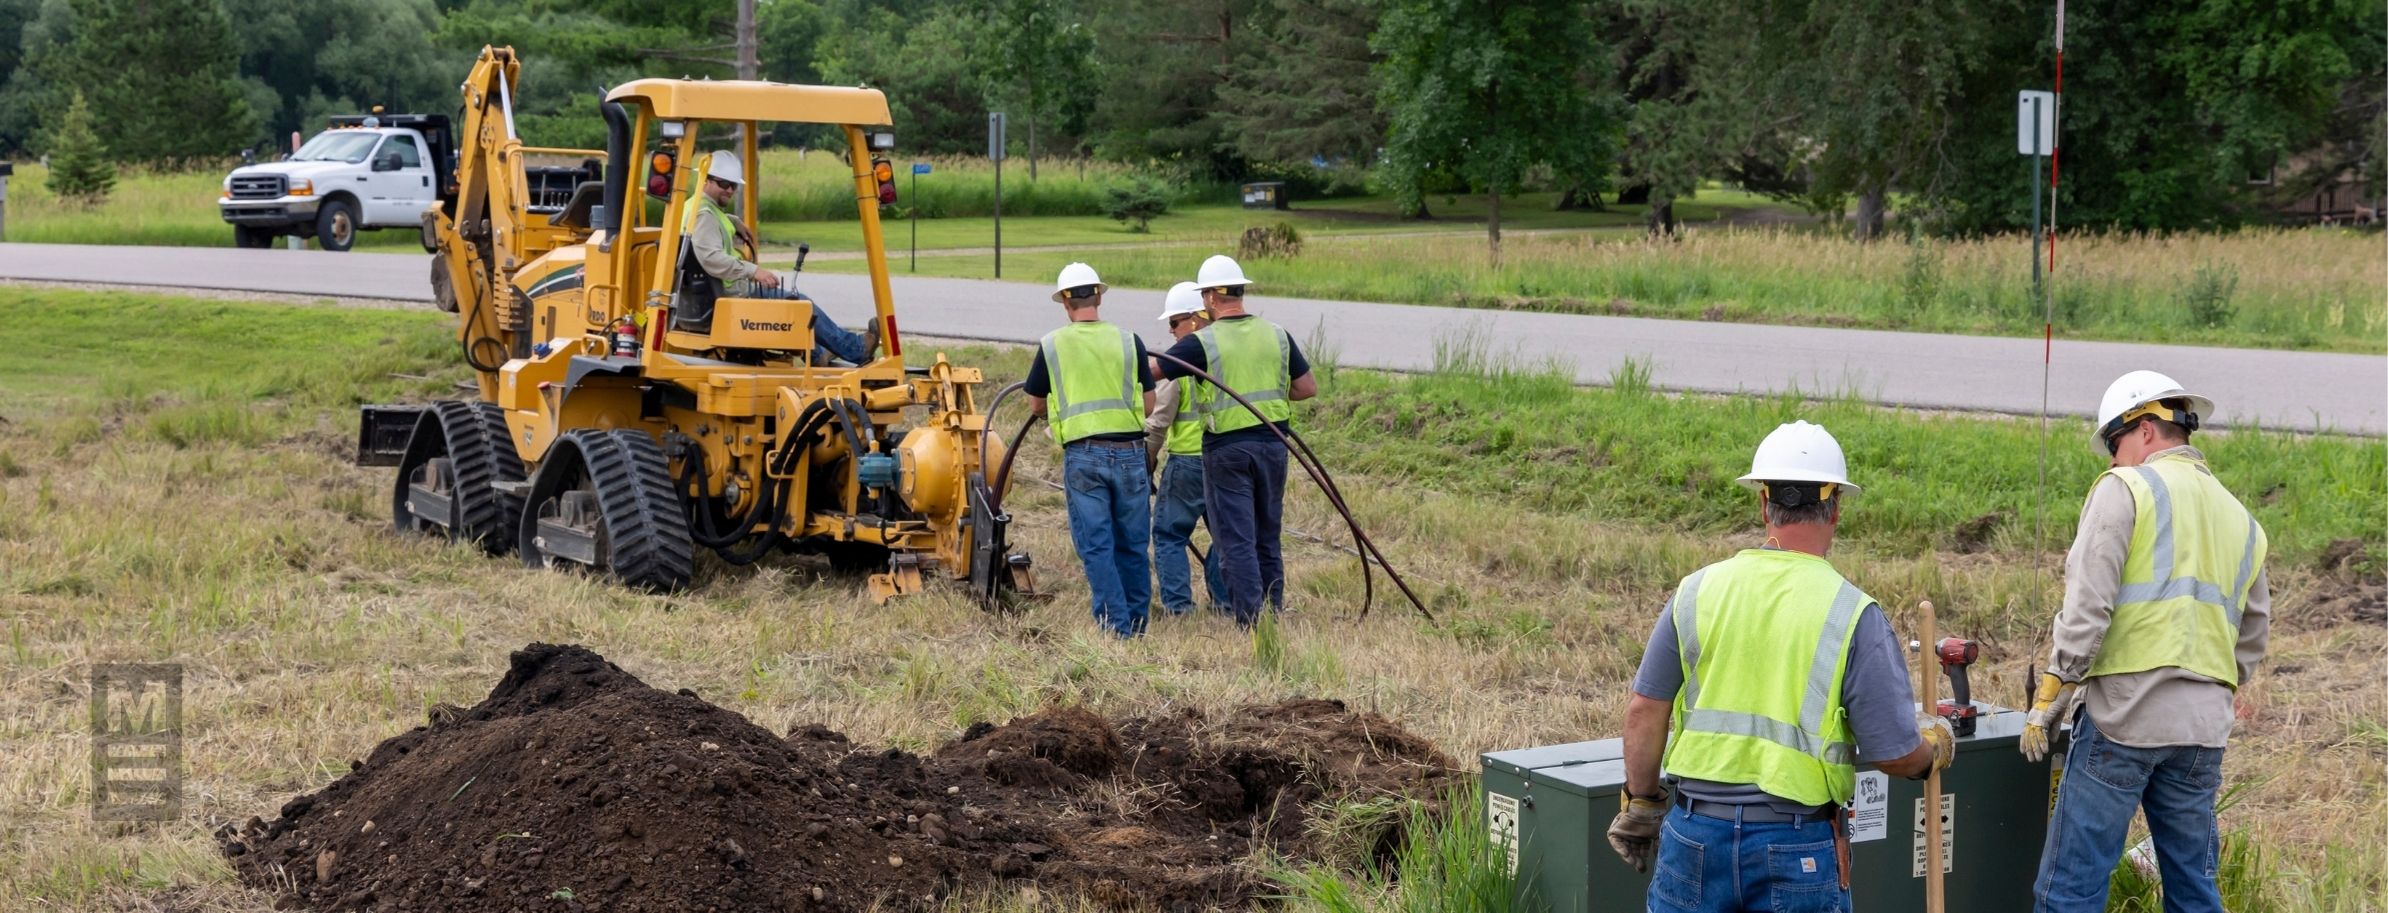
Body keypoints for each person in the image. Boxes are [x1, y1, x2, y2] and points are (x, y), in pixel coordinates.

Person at [1607, 420, 1954, 913]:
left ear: (1763, 501)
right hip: (1796, 845)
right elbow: (1895, 754)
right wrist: (1932, 751)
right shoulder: (1852, 613)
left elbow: (1645, 709)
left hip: (1694, 835)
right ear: (1835, 507)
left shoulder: (1697, 591)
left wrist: (1641, 802)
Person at [2023, 370, 2271, 913]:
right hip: (2202, 734)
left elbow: (2088, 607)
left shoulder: (2126, 489)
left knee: (2069, 888)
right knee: (2194, 891)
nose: (2112, 460)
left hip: (2124, 722)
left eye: (2114, 445)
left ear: (2145, 430)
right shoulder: (2243, 520)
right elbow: (2251, 641)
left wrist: (2052, 691)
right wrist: (2202, 691)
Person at [1154, 255, 1317, 627]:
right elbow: (1306, 388)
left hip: (1227, 450)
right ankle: (1273, 610)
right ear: (1241, 292)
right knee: (1267, 533)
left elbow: (1153, 371)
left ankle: (1251, 622)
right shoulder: (1277, 334)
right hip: (1274, 445)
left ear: (1210, 298)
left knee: (1236, 538)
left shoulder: (1202, 342)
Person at [1026, 263, 1157, 638]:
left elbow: (1036, 404)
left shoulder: (1052, 345)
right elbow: (1149, 405)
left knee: (1097, 546)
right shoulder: (1130, 341)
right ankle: (1136, 624)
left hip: (1084, 457)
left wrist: (1058, 421)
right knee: (1133, 544)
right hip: (1132, 453)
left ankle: (1115, 628)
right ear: (1099, 296)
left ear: (1065, 304)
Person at [684, 149, 875, 364]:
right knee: (800, 305)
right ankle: (856, 349)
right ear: (706, 181)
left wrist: (733, 220)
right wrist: (754, 271)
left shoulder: (694, 207)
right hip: (731, 297)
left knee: (792, 302)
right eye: (723, 184)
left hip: (712, 296)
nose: (729, 190)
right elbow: (711, 258)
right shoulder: (704, 216)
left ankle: (818, 354)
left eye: (733, 186)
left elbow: (708, 226)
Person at [1144, 281, 1227, 616]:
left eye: (1175, 321)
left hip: (1188, 465)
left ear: (1195, 319)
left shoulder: (1179, 367)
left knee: (1168, 534)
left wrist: (1145, 464)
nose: (1170, 329)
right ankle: (1226, 603)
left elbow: (1156, 425)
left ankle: (1179, 608)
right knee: (1227, 537)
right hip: (1225, 461)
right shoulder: (1227, 356)